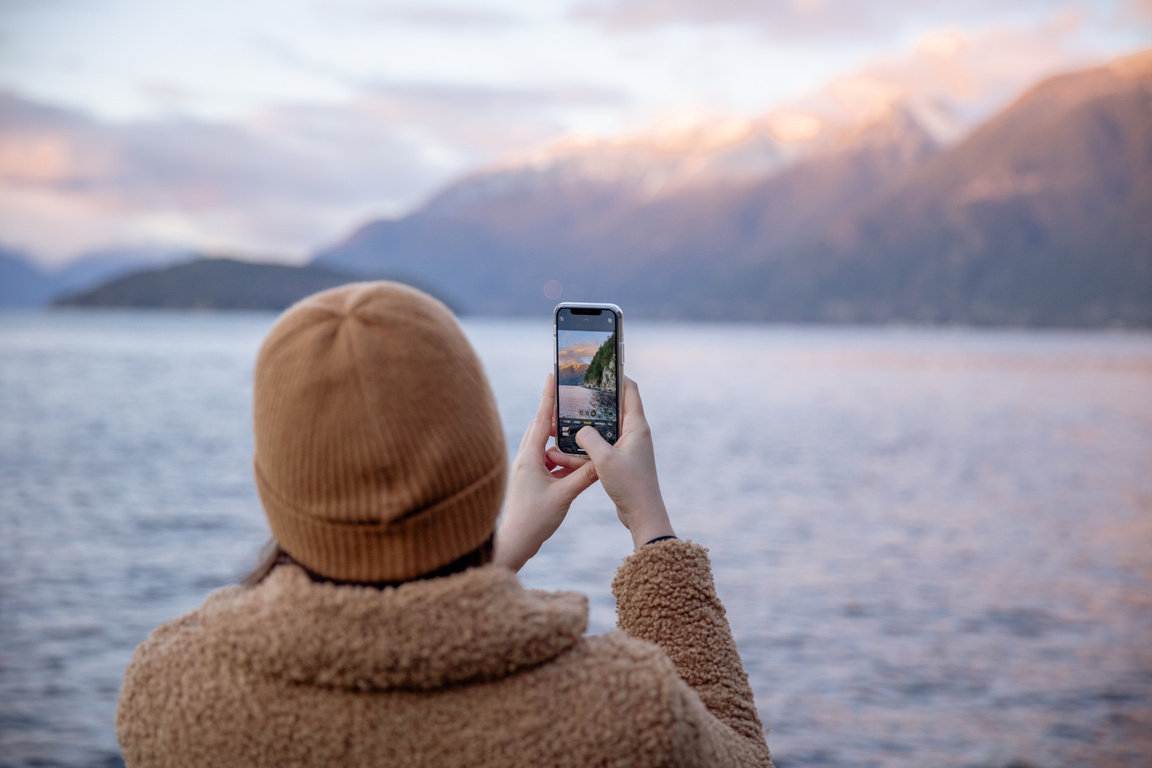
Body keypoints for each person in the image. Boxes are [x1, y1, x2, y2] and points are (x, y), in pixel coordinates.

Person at [116, 282, 773, 768]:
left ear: (276, 489)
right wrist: (651, 531)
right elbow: (738, 747)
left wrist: (496, 555)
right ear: (489, 466)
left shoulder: (168, 696)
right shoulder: (624, 716)